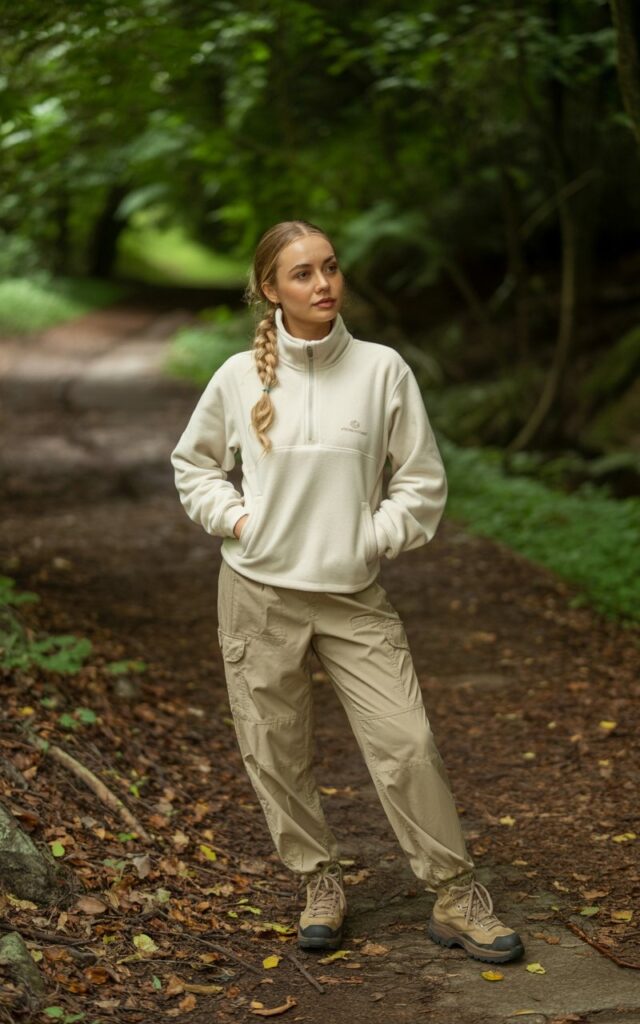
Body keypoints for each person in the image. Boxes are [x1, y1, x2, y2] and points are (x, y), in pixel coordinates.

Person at [170, 220, 524, 965]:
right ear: (271, 289)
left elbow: (421, 483)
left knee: (408, 741)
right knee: (275, 748)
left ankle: (456, 896)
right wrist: (235, 518)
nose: (323, 284)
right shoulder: (239, 377)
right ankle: (319, 881)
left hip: (353, 595)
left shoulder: (383, 370)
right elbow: (193, 465)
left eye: (330, 268)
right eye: (302, 274)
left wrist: (370, 539)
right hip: (257, 593)